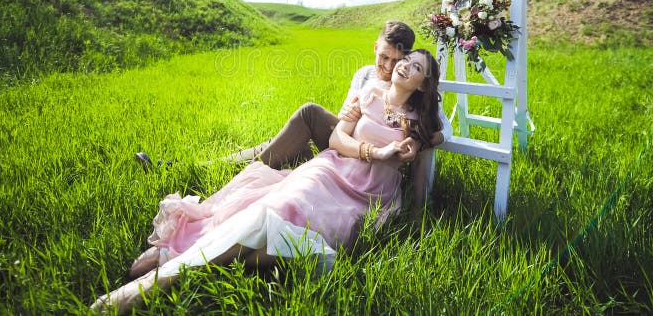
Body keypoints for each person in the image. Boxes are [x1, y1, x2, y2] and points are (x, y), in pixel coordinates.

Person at [91, 49, 442, 312]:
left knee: (294, 246)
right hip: (330, 170)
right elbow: (337, 140)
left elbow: (422, 183)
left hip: (366, 198)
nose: (404, 64)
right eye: (406, 59)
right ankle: (156, 282)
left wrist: (416, 208)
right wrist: (375, 152)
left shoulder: (423, 122)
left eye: (415, 67)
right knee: (278, 207)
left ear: (423, 84)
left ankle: (186, 259)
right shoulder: (367, 96)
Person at [136, 20, 451, 179]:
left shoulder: (408, 88)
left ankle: (206, 169)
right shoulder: (364, 75)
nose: (387, 66)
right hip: (343, 143)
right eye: (383, 57)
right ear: (375, 48)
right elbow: (345, 122)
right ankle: (200, 167)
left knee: (308, 115)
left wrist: (414, 142)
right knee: (283, 143)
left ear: (405, 57)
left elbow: (444, 129)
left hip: (369, 157)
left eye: (394, 59)